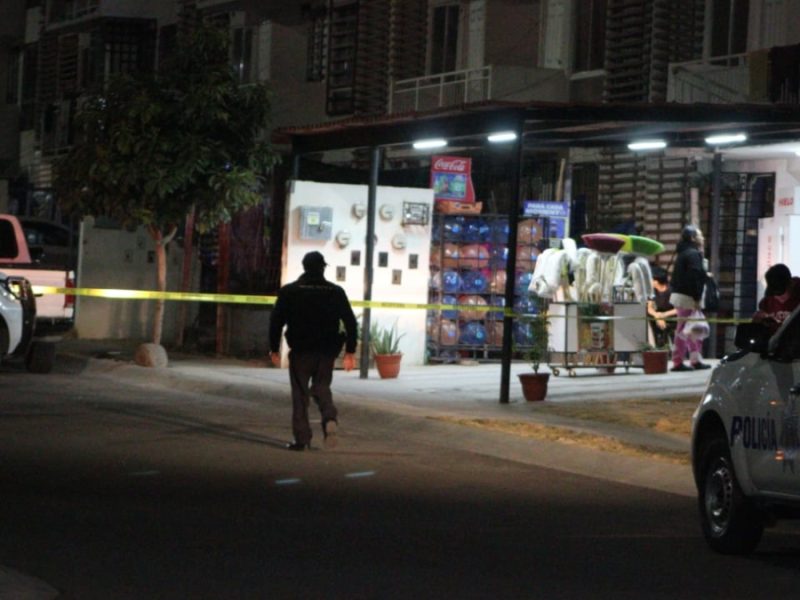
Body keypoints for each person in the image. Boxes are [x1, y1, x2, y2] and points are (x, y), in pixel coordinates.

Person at [269, 251, 358, 451]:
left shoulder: (290, 291)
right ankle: (329, 418)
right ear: (323, 268)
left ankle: (302, 440)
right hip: (327, 351)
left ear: (304, 267)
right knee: (322, 387)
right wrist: (350, 352)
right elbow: (350, 322)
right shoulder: (335, 291)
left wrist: (273, 348)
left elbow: (276, 322)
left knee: (300, 394)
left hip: (301, 350)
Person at [669, 225, 711, 371]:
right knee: (684, 329)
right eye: (699, 235)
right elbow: (694, 276)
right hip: (688, 297)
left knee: (694, 327)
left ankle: (694, 359)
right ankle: (678, 361)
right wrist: (697, 297)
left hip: (682, 295)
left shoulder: (684, 252)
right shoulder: (693, 254)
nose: (702, 237)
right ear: (693, 238)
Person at [753, 263, 800, 333]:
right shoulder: (766, 304)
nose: (776, 296)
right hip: (777, 342)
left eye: (779, 291)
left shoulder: (797, 295)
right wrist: (758, 323)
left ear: (789, 284)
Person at [647, 265, 676, 348]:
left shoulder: (672, 290)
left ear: (657, 280)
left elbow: (678, 309)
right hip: (658, 315)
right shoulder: (652, 291)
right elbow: (649, 308)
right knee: (649, 320)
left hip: (671, 316)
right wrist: (657, 316)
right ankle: (654, 347)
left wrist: (664, 315)